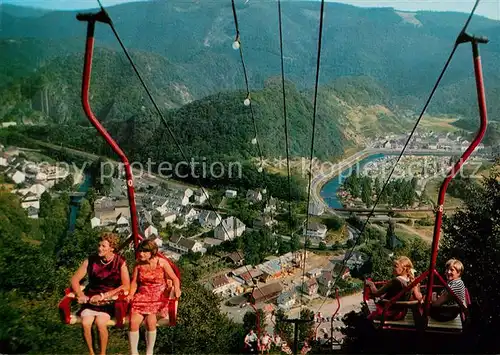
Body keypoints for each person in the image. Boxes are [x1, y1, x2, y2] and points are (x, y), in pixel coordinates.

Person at [71, 232, 130, 355]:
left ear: (111, 248)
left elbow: (125, 285)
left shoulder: (120, 262)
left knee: (100, 323)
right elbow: (75, 279)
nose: (99, 248)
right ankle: (92, 352)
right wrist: (80, 294)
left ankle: (102, 353)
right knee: (86, 323)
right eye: (99, 245)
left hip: (108, 300)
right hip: (91, 298)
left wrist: (104, 296)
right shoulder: (91, 260)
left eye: (103, 246)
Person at [127, 240, 181, 355]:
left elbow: (175, 278)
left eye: (145, 251)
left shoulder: (161, 263)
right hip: (142, 296)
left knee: (150, 321)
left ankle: (149, 351)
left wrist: (176, 289)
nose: (141, 254)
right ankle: (133, 352)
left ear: (152, 252)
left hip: (158, 296)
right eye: (140, 251)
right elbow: (134, 282)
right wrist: (131, 294)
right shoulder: (138, 265)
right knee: (133, 321)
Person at [365, 256, 422, 320]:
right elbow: (418, 297)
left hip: (388, 312)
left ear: (404, 268)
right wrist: (416, 287)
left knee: (369, 304)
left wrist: (371, 284)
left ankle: (366, 321)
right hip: (401, 313)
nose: (393, 268)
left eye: (396, 266)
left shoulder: (395, 281)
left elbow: (376, 293)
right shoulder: (411, 281)